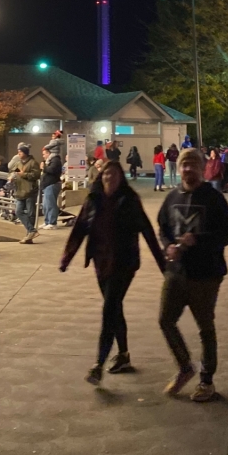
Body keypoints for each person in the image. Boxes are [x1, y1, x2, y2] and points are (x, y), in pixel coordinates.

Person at [59, 160, 164, 384]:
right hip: (101, 262)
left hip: (124, 264)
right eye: (107, 173)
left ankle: (98, 363)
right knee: (114, 307)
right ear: (101, 175)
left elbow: (147, 231)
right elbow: (79, 230)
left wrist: (163, 264)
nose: (110, 177)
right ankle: (124, 355)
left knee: (109, 308)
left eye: (115, 174)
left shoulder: (130, 200)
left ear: (121, 177)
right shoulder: (93, 200)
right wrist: (66, 257)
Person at [157, 147, 228, 403]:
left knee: (205, 327)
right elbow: (163, 227)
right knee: (165, 320)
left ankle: (206, 380)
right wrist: (168, 245)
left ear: (202, 169)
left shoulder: (213, 198)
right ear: (179, 169)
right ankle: (184, 367)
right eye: (184, 165)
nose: (188, 169)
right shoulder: (171, 197)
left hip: (206, 274)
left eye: (193, 165)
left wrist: (199, 240)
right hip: (176, 272)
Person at [8, 142, 41, 244]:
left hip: (30, 191)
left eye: (21, 152)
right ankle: (32, 231)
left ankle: (29, 236)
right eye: (18, 152)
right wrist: (12, 177)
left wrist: (24, 174)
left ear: (26, 153)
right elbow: (15, 172)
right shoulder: (18, 163)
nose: (19, 153)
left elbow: (36, 175)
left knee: (31, 213)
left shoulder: (33, 162)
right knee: (18, 211)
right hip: (19, 191)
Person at [39, 145, 62, 230]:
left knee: (51, 204)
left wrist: (44, 168)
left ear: (49, 153)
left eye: (44, 154)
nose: (43, 156)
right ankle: (47, 221)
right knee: (45, 205)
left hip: (52, 184)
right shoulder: (49, 161)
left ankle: (52, 222)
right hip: (47, 185)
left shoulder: (55, 160)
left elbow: (52, 170)